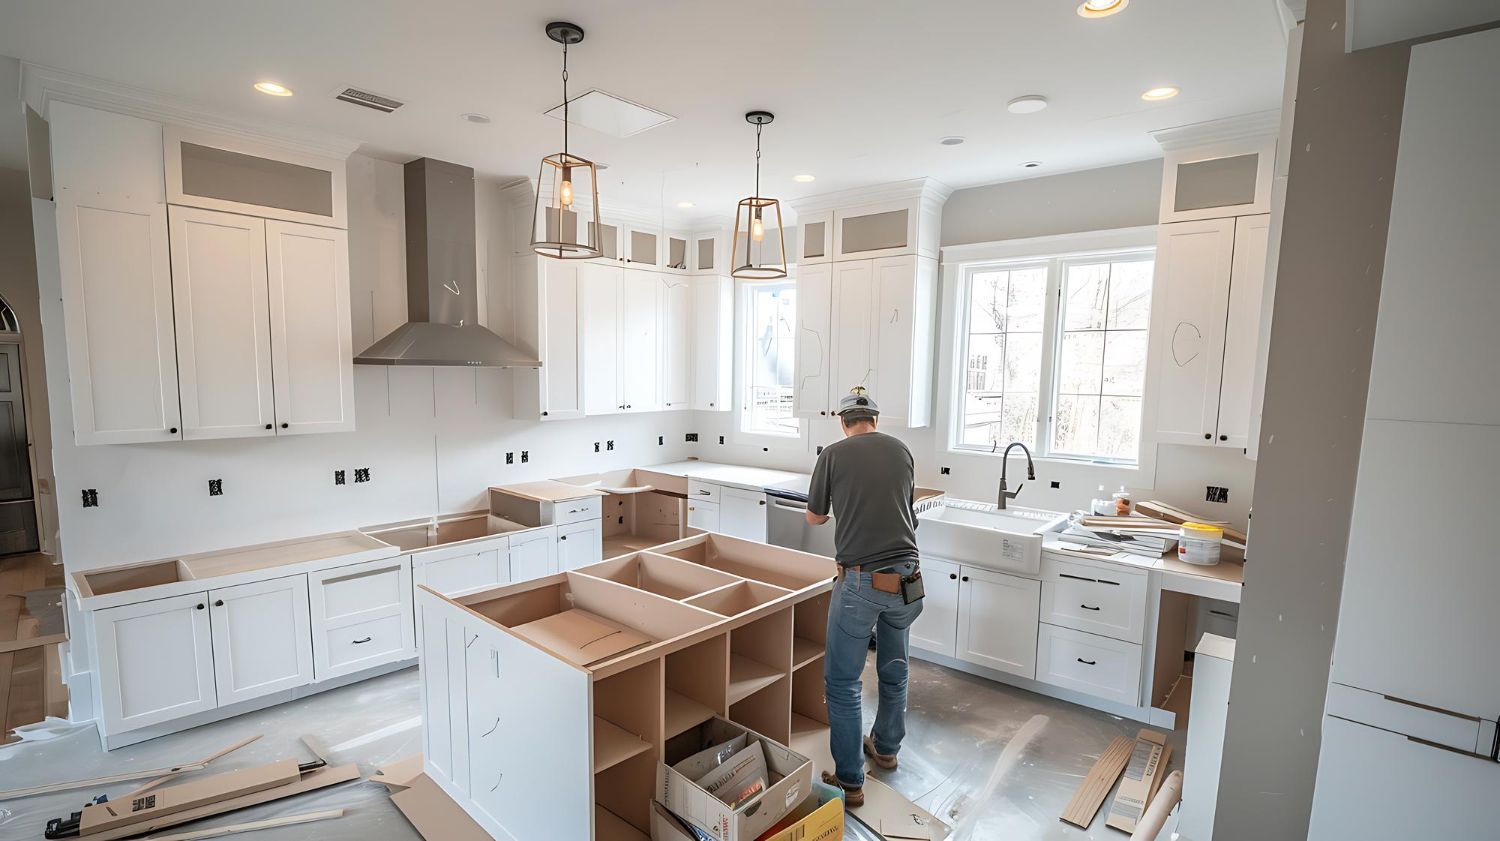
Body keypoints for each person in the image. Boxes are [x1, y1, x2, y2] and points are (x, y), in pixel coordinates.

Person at [805, 387, 922, 807]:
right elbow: (903, 507)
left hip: (861, 583)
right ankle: (886, 749)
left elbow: (815, 516)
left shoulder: (833, 455)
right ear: (875, 419)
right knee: (894, 668)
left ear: (842, 421)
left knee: (842, 682)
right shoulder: (902, 450)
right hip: (909, 580)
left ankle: (850, 781)